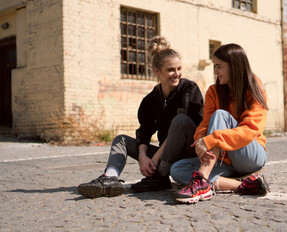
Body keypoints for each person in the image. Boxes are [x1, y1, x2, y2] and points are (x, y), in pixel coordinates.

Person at [77, 36, 203, 199]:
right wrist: (143, 157)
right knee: (121, 140)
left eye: (179, 68)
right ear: (157, 72)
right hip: (164, 156)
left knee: (180, 121)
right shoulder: (150, 100)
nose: (176, 74)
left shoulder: (189, 89)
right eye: (171, 70)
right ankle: (110, 178)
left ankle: (159, 176)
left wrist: (156, 158)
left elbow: (183, 126)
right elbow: (144, 132)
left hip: (187, 153)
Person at [170, 43, 270, 204]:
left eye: (219, 67)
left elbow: (250, 130)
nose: (215, 72)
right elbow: (205, 124)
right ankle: (243, 185)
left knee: (221, 115)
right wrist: (201, 140)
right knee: (177, 169)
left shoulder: (253, 87)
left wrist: (210, 140)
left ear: (234, 66)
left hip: (250, 156)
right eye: (214, 67)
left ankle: (201, 179)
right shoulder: (213, 91)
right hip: (225, 160)